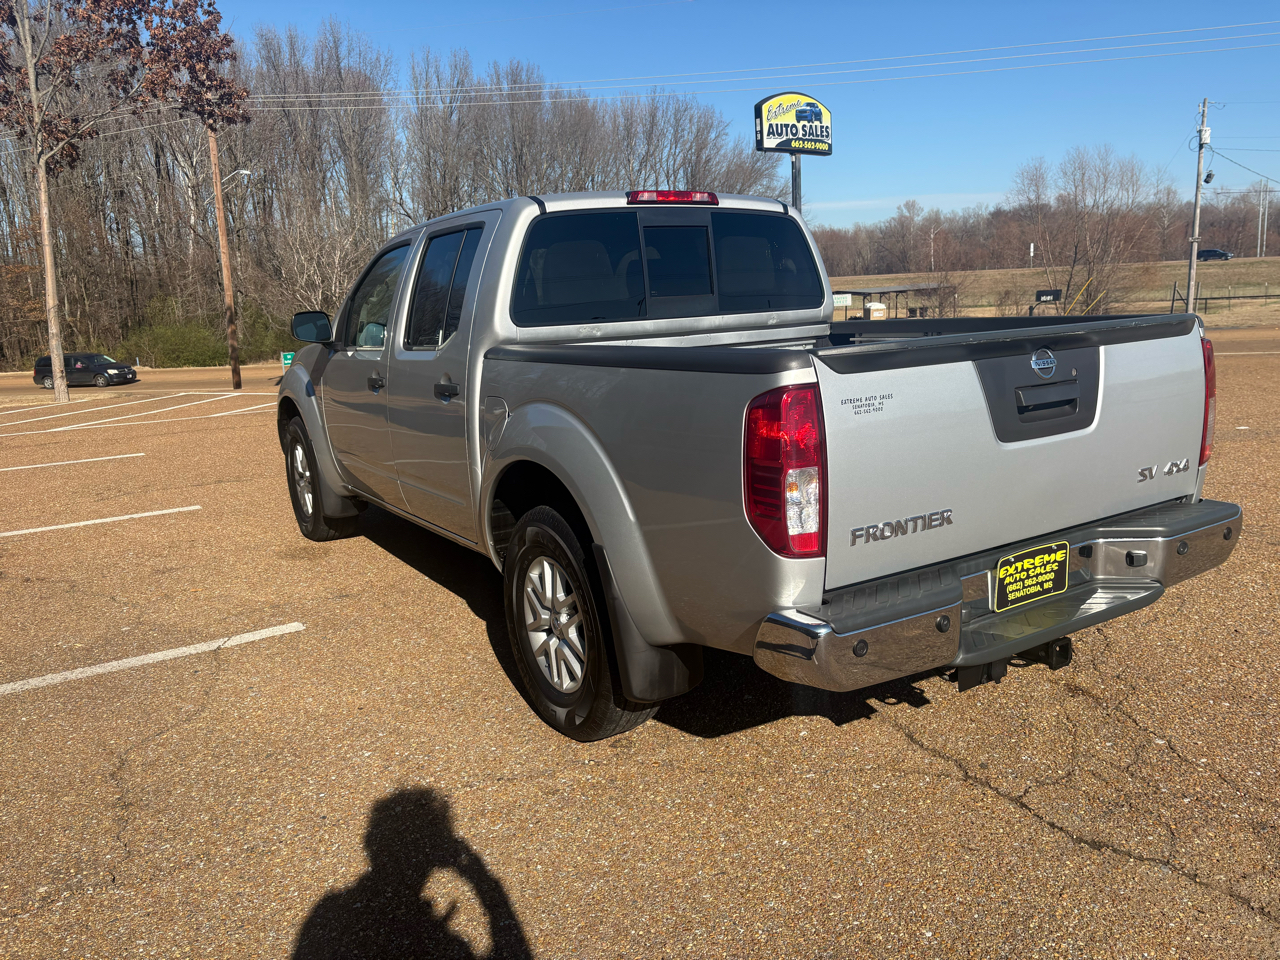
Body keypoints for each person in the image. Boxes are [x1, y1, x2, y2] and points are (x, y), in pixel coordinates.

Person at [293, 788, 531, 960]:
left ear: (369, 843)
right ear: (439, 856)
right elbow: (514, 953)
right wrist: (485, 884)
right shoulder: (438, 946)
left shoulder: (328, 914)